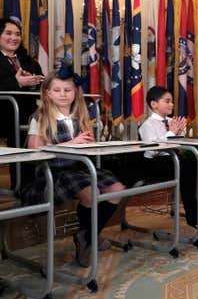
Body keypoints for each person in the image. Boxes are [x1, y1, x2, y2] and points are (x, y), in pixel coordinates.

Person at [24, 67, 126, 267]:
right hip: (52, 172)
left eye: (67, 90)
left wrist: (89, 145)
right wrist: (71, 143)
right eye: (57, 90)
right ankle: (88, 238)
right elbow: (34, 149)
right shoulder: (40, 116)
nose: (63, 94)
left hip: (78, 168)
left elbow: (87, 144)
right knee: (91, 192)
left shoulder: (80, 115)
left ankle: (87, 235)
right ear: (48, 93)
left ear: (76, 93)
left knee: (117, 189)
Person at [138, 86, 198, 234]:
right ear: (154, 104)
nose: (172, 105)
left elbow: (178, 146)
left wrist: (180, 134)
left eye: (172, 102)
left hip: (175, 160)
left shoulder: (172, 121)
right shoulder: (147, 125)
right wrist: (171, 133)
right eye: (167, 101)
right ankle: (193, 217)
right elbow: (150, 151)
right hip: (156, 164)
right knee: (186, 169)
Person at [0, 17, 45, 187]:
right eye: (8, 33)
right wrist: (17, 83)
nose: (14, 38)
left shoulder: (27, 60)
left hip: (28, 111)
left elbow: (40, 82)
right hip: (5, 113)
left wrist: (36, 81)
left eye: (17, 34)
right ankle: (23, 188)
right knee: (23, 127)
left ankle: (46, 184)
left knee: (45, 122)